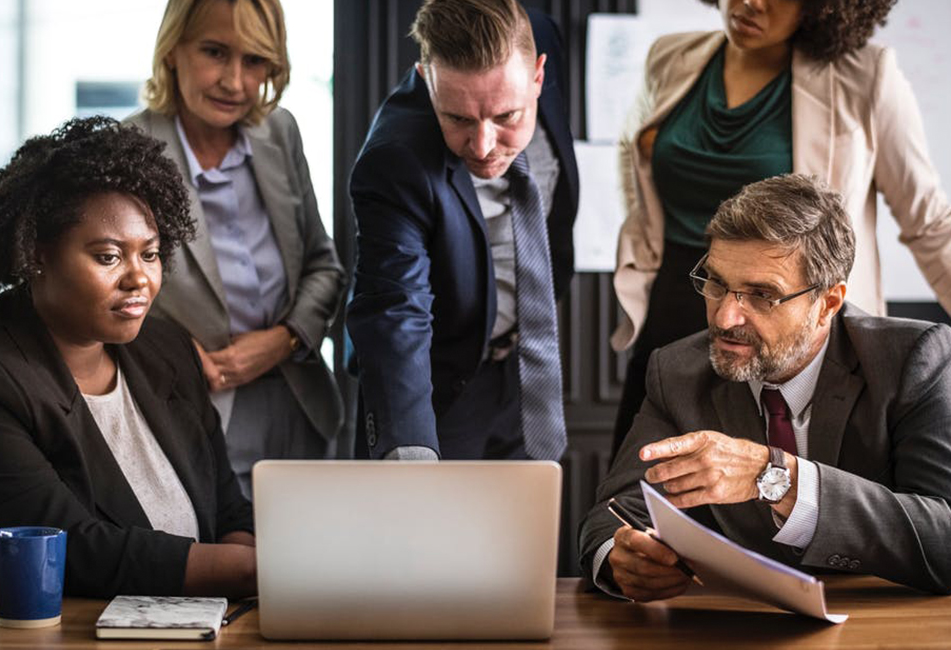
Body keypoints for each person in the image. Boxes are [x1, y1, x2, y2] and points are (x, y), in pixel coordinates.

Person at [581, 173, 951, 600]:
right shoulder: (677, 370)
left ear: (827, 303)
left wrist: (775, 476)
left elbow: (943, 539)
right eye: (716, 284)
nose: (724, 318)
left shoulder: (910, 360)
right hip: (738, 626)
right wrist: (619, 558)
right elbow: (613, 514)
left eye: (762, 295)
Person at [610, 0, 951, 459]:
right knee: (644, 492)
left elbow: (930, 223)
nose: (750, 1)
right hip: (676, 306)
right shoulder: (670, 58)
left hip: (790, 327)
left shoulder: (865, 76)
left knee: (789, 497)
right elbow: (636, 162)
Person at [0, 116, 256, 598]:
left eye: (150, 254)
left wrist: (247, 586)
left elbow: (227, 510)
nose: (139, 279)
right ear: (36, 256)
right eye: (109, 257)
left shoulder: (168, 348)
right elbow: (74, 550)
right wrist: (252, 572)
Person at [126, 0, 345, 496]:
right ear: (174, 49)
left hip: (302, 405)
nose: (235, 82)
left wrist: (285, 338)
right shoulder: (130, 148)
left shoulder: (279, 130)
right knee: (231, 567)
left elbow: (323, 265)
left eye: (255, 60)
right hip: (192, 409)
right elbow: (105, 297)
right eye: (215, 52)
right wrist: (181, 354)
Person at [347, 0, 579, 461]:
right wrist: (409, 449)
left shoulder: (540, 35)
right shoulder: (395, 160)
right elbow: (395, 309)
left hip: (527, 369)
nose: (483, 146)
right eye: (458, 119)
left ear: (538, 75)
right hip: (438, 387)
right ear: (426, 78)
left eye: (507, 117)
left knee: (524, 529)